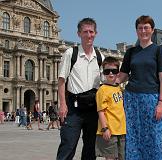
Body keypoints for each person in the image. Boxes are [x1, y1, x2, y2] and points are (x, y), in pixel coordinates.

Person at [117, 15, 162, 160]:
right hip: (131, 98)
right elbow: (123, 75)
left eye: (146, 27)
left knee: (154, 139)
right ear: (136, 31)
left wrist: (161, 102)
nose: (143, 31)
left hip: (152, 99)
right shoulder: (131, 52)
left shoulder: (159, 51)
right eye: (140, 28)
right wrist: (108, 82)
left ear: (152, 30)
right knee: (133, 137)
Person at [57, 18, 104, 160]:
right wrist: (63, 104)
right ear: (78, 34)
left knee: (91, 148)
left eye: (91, 32)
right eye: (85, 32)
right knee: (68, 145)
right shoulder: (71, 53)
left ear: (96, 33)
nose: (88, 35)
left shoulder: (100, 56)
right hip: (73, 107)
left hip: (92, 108)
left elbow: (104, 84)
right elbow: (61, 81)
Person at [95, 57, 126, 160]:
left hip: (121, 130)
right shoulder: (102, 90)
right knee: (110, 158)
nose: (111, 74)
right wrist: (105, 128)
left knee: (123, 157)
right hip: (110, 131)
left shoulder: (119, 88)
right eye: (107, 71)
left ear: (118, 72)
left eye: (114, 71)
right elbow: (101, 111)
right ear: (103, 72)